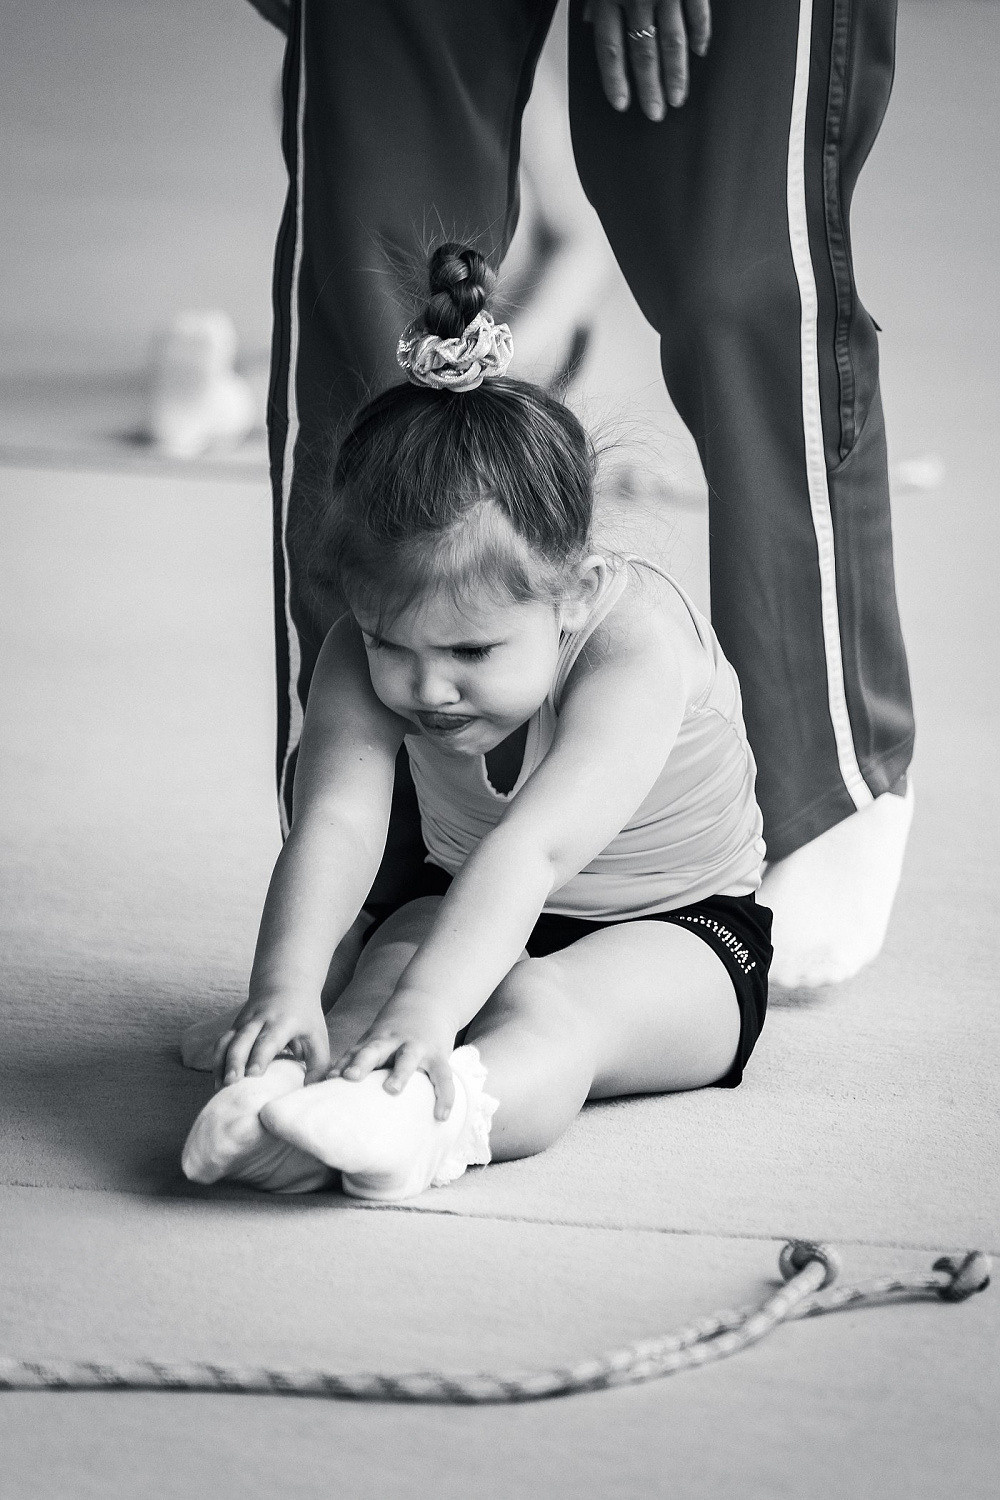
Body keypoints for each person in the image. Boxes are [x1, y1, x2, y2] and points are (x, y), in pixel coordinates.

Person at [252, 0, 915, 994]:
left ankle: (824, 789)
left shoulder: (626, 631)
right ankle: (389, 874)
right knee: (371, 274)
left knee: (735, 276)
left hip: (674, 888)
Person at [181, 246, 772, 1200]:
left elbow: (537, 851)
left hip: (682, 929)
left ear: (570, 593)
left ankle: (426, 1128)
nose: (425, 689)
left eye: (471, 654)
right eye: (390, 641)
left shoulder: (637, 647)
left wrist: (430, 1014)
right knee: (381, 975)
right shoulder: (361, 651)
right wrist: (288, 986)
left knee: (546, 1005)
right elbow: (335, 818)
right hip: (467, 890)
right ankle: (291, 1103)